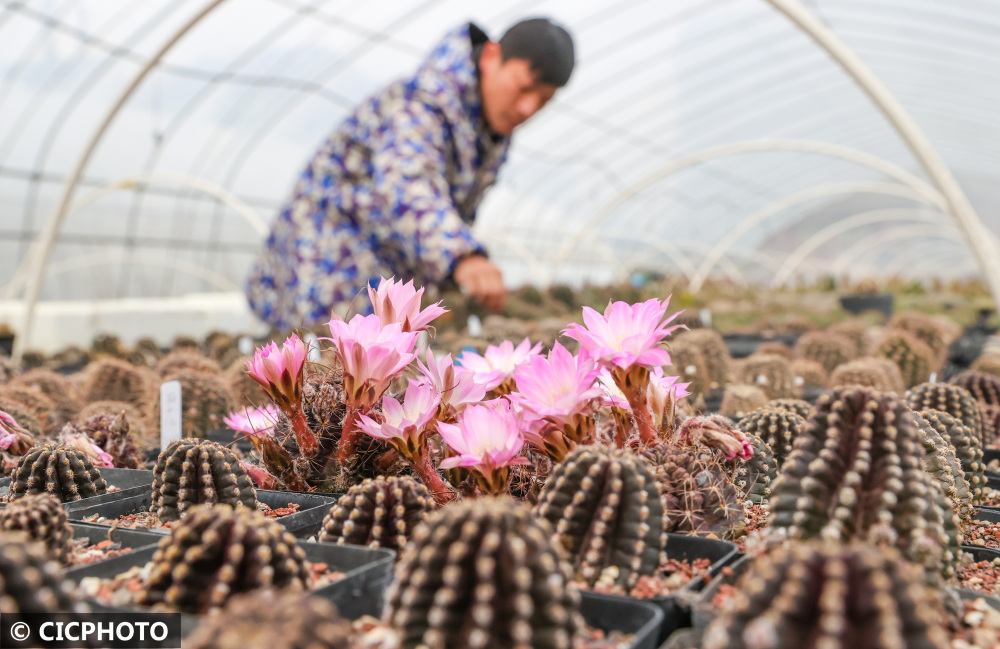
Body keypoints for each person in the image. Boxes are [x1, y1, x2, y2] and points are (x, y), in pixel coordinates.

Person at [246, 18, 575, 330]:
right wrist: (463, 255)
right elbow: (407, 182)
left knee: (365, 377)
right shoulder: (423, 101)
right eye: (523, 88)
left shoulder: (487, 129)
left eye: (543, 100)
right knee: (327, 370)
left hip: (383, 272)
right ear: (491, 56)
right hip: (331, 259)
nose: (528, 108)